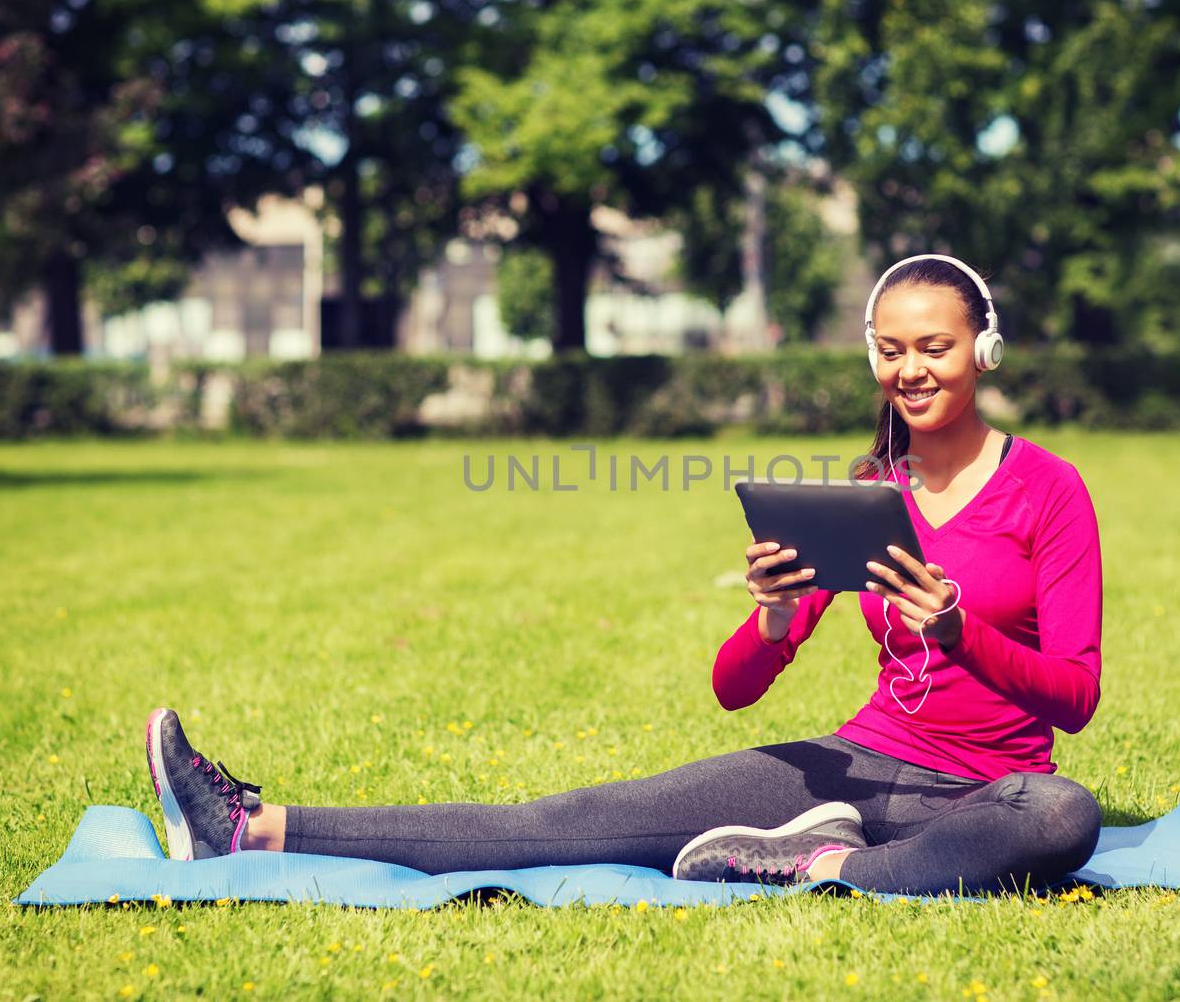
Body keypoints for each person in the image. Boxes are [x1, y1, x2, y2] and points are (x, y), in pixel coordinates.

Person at [143, 253, 1104, 898]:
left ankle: (835, 865)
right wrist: (771, 621)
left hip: (983, 790)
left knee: (1063, 815)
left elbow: (1076, 698)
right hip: (851, 764)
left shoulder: (1050, 492)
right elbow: (733, 692)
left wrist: (959, 632)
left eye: (933, 348)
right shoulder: (866, 492)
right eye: (890, 351)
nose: (911, 370)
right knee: (565, 820)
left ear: (982, 348)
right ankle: (251, 827)